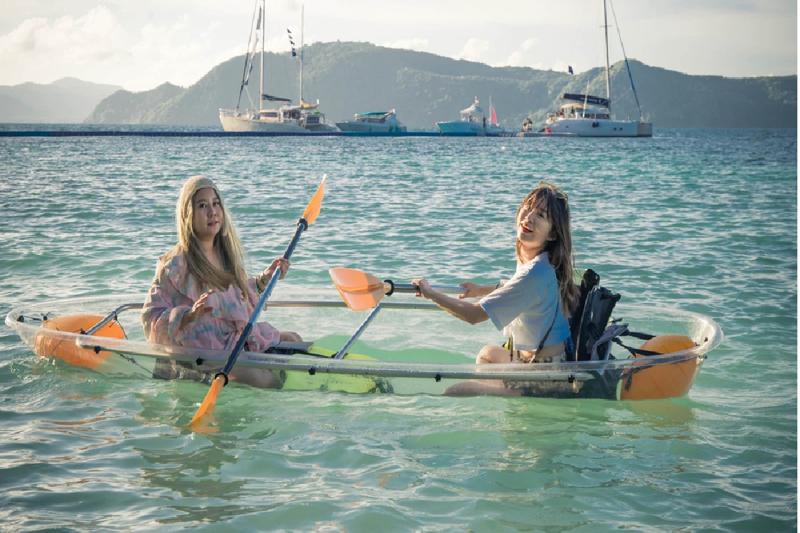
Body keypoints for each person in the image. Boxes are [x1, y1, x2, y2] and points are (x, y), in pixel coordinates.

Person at [412, 181, 579, 395]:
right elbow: (517, 288)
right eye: (527, 209)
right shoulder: (543, 263)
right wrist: (481, 290)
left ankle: (514, 396)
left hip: (544, 377)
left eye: (540, 215)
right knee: (488, 354)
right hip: (543, 363)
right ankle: (507, 401)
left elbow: (473, 315)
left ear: (552, 234)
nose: (528, 218)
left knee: (457, 390)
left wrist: (431, 293)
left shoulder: (536, 272)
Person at [142, 175, 301, 389]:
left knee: (293, 340)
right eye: (202, 205)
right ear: (188, 214)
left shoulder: (225, 255)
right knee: (265, 380)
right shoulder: (176, 264)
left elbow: (236, 298)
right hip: (206, 353)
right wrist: (187, 316)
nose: (212, 212)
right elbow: (150, 316)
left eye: (216, 203)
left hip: (235, 341)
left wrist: (265, 279)